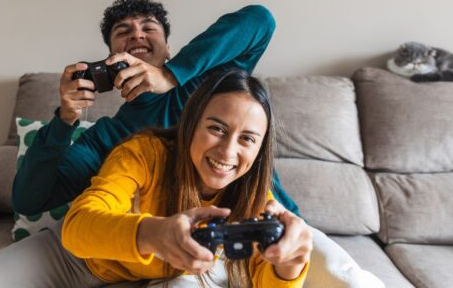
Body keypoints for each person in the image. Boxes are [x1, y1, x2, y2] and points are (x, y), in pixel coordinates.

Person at [11, 0, 302, 218]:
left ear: (169, 49)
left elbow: (260, 20)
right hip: (182, 248)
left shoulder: (212, 84)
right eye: (123, 32)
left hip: (276, 221)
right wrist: (64, 120)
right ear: (111, 57)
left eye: (149, 28)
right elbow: (29, 201)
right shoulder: (107, 137)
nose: (136, 35)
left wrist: (171, 75)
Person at [61, 69, 313, 287]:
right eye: (217, 129)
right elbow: (76, 226)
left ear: (259, 151)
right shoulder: (144, 154)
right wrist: (154, 234)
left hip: (163, 276)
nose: (227, 151)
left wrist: (288, 267)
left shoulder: (254, 196)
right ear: (191, 124)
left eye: (247, 139)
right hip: (80, 262)